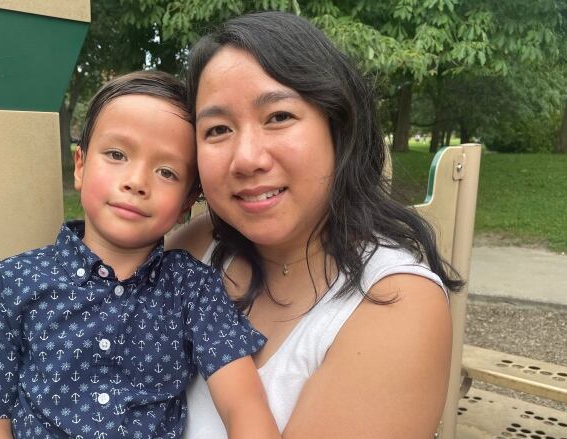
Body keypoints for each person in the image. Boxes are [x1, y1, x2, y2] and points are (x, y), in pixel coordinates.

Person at [0, 71, 280, 439]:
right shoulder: (7, 285)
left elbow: (243, 404)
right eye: (117, 154)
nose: (136, 182)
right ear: (80, 165)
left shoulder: (193, 288)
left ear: (186, 204)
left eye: (166, 172)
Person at [167, 11, 464, 438]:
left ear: (336, 126)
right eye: (217, 129)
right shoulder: (198, 249)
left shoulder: (395, 305)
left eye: (278, 117)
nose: (247, 158)